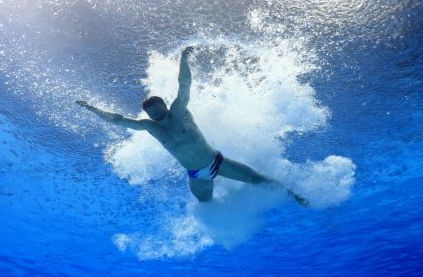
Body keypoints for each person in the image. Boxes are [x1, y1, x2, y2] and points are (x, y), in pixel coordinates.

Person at [77, 47, 307, 206]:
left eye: (156, 108)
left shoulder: (178, 111)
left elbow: (184, 84)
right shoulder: (149, 126)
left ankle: (293, 195)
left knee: (257, 179)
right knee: (207, 205)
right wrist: (91, 108)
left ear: (164, 106)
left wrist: (184, 58)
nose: (154, 113)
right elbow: (118, 119)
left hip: (217, 162)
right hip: (197, 175)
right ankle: (226, 227)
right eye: (150, 112)